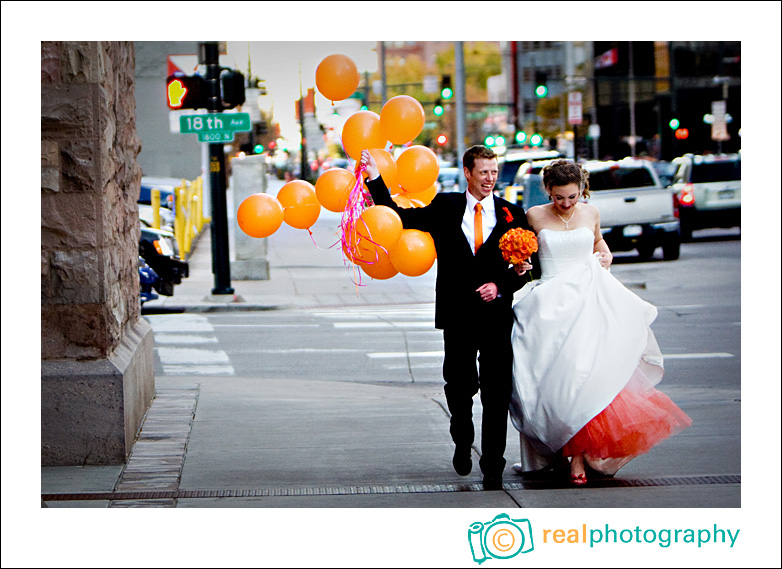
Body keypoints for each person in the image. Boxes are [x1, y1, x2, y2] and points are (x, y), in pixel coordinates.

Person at [507, 159, 692, 485]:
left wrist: (606, 255)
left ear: (582, 191)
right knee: (552, 381)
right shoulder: (534, 215)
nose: (565, 203)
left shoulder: (591, 213)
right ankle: (559, 450)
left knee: (585, 376)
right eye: (559, 197)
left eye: (572, 197)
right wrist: (519, 262)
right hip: (549, 301)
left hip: (588, 298)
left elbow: (598, 244)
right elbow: (527, 253)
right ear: (548, 189)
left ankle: (578, 455)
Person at [361, 145, 535, 490]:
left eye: (494, 172)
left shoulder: (513, 214)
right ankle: (461, 436)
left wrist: (500, 285)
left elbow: (528, 268)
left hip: (495, 317)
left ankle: (493, 466)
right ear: (468, 173)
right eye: (483, 172)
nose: (490, 179)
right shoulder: (446, 206)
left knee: (496, 393)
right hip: (457, 315)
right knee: (459, 386)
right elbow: (399, 216)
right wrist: (375, 180)